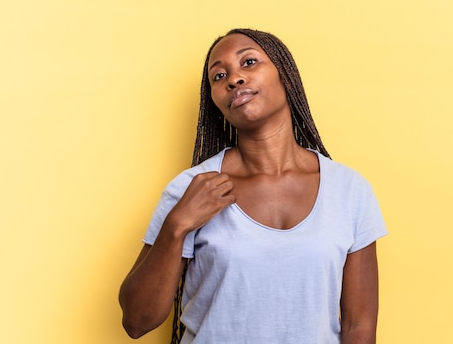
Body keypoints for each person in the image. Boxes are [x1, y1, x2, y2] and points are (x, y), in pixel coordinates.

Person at [119, 28, 388, 344]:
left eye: (248, 62)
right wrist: (176, 226)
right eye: (219, 76)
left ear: (284, 75)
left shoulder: (349, 191)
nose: (233, 79)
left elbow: (359, 324)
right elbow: (137, 322)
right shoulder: (192, 189)